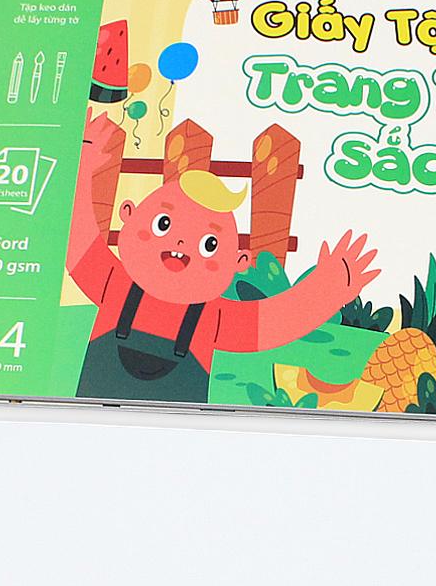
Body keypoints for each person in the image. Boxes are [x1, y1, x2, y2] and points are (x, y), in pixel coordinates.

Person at [67, 112, 379, 404]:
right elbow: (78, 241)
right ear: (128, 214)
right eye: (163, 224)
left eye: (209, 244)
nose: (180, 243)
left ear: (238, 262)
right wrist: (81, 164)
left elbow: (272, 323)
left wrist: (328, 291)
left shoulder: (213, 316)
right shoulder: (113, 282)